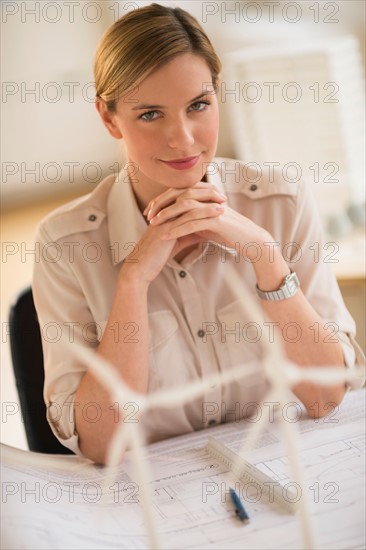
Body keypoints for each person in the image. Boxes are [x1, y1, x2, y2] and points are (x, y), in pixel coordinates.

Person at [33, 3, 364, 463]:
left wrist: (265, 256)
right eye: (150, 114)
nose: (184, 139)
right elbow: (102, 446)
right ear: (109, 119)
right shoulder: (65, 245)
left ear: (217, 96)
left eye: (198, 105)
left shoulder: (281, 202)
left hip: (284, 477)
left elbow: (326, 397)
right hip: (155, 506)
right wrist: (132, 283)